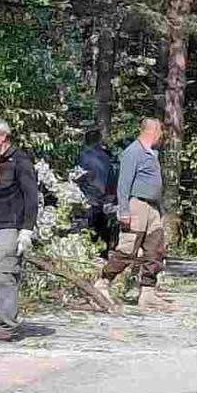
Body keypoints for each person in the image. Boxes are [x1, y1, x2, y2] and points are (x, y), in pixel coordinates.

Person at [0, 118, 39, 343]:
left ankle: (8, 327)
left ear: (3, 137)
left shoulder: (21, 161)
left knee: (4, 275)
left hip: (12, 226)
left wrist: (27, 230)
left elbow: (32, 197)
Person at [97, 117, 169, 311]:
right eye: (160, 132)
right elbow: (123, 184)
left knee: (155, 248)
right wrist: (124, 211)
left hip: (152, 207)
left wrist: (160, 210)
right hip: (137, 205)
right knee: (128, 248)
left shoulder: (151, 153)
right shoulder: (133, 152)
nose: (162, 136)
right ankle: (103, 283)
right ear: (152, 131)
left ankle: (148, 293)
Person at [76, 127, 119, 255]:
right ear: (99, 140)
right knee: (102, 227)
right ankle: (102, 252)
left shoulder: (82, 156)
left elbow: (77, 176)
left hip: (86, 198)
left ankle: (87, 253)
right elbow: (112, 178)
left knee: (87, 229)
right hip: (102, 198)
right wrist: (112, 195)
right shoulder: (106, 157)